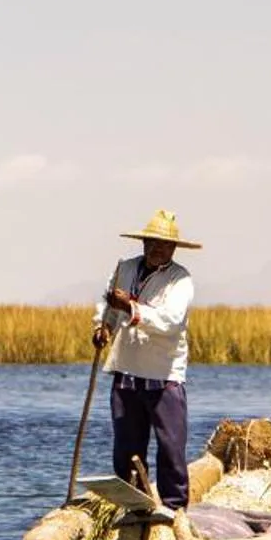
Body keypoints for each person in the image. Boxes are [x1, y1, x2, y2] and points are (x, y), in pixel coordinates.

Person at [93, 208, 199, 511]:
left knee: (170, 448)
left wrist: (131, 308)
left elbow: (171, 322)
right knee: (126, 447)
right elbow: (108, 307)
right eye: (152, 242)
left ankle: (174, 509)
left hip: (164, 374)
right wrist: (103, 328)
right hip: (126, 371)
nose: (156, 249)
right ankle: (133, 505)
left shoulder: (180, 280)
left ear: (174, 249)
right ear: (143, 243)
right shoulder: (124, 269)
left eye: (164, 244)